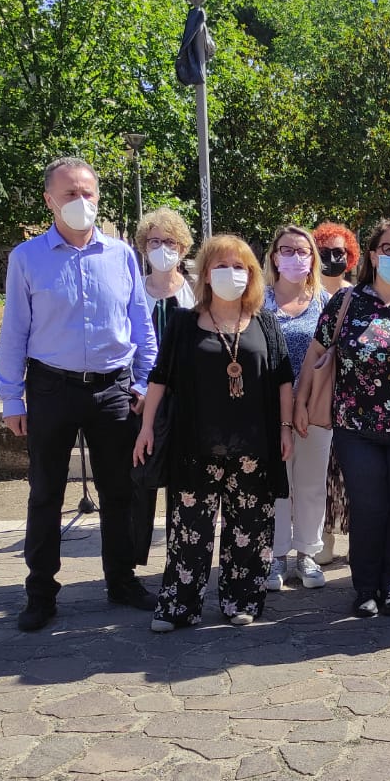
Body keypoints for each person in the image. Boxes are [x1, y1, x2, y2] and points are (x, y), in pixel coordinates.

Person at [0, 157, 157, 632]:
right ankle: (41, 592)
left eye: (88, 193)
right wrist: (12, 398)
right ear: (49, 200)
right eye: (70, 194)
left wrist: (144, 383)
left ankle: (121, 580)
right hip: (51, 387)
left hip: (114, 389)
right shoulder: (27, 258)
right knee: (44, 493)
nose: (81, 202)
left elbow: (140, 326)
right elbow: (14, 331)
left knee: (119, 491)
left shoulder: (122, 254)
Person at [134, 235, 295, 629]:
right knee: (189, 530)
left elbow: (283, 381)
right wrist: (145, 428)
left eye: (240, 266)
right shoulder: (183, 324)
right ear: (205, 273)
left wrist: (286, 429)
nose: (231, 273)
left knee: (250, 529)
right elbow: (159, 378)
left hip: (254, 446)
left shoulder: (265, 323)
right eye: (221, 266)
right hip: (195, 445)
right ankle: (179, 607)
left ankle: (241, 601)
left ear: (253, 274)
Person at [295, 219, 390, 617]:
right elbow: (316, 353)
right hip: (355, 426)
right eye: (389, 249)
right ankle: (364, 588)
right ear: (374, 254)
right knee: (368, 507)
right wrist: (300, 401)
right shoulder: (347, 302)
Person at [263, 225, 332, 592]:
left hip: (315, 408)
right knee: (277, 485)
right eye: (287, 250)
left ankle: (307, 553)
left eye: (303, 251)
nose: (295, 257)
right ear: (274, 257)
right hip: (268, 410)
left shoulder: (325, 302)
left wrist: (303, 402)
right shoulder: (257, 301)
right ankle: (275, 555)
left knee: (310, 483)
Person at [128, 207, 197, 567]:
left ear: (182, 248)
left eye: (169, 241)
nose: (162, 248)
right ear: (143, 246)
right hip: (139, 399)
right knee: (140, 480)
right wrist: (136, 388)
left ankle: (180, 558)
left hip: (183, 401)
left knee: (182, 482)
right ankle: (133, 559)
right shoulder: (132, 292)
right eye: (154, 241)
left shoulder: (196, 297)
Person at [312, 220, 360, 566]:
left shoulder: (358, 295)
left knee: (350, 471)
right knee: (319, 472)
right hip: (318, 394)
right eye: (325, 251)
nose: (332, 257)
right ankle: (321, 536)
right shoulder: (306, 293)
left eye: (339, 251)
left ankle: (358, 535)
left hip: (353, 398)